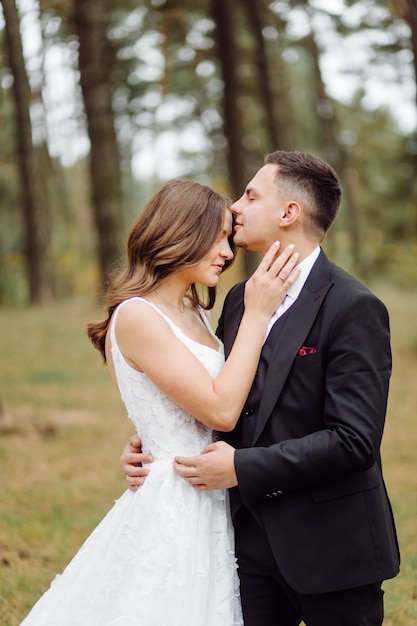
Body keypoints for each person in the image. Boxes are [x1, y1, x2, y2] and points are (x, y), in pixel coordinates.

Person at [122, 152, 400, 626]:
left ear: (289, 213)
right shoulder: (237, 300)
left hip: (332, 548)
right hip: (243, 546)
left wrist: (241, 468)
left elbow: (354, 442)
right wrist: (157, 442)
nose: (234, 207)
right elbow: (223, 397)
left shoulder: (354, 308)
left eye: (251, 195)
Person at [19, 178, 300, 626]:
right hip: (176, 501)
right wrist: (259, 312)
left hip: (215, 491)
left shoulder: (196, 311)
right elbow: (221, 409)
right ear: (180, 232)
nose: (228, 253)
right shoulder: (136, 315)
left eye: (229, 240)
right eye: (218, 238)